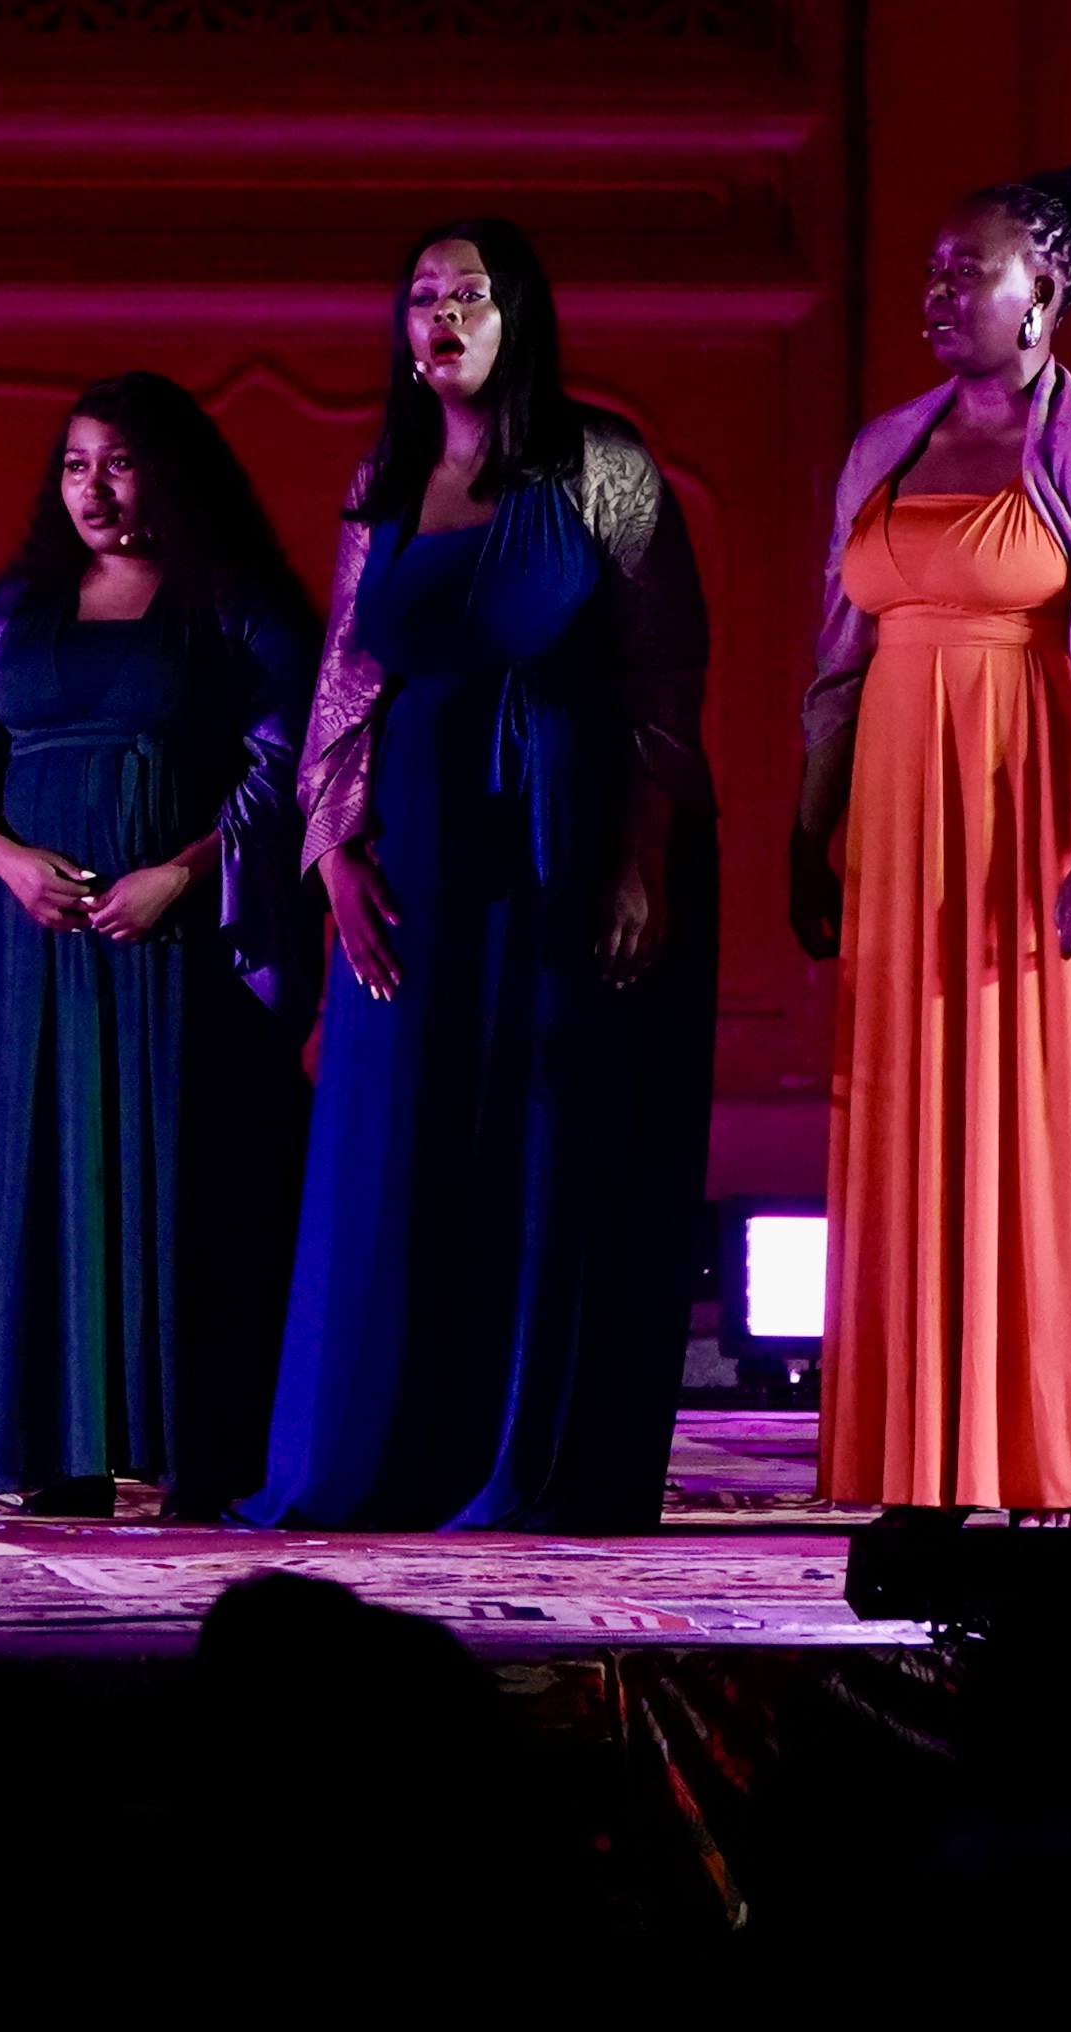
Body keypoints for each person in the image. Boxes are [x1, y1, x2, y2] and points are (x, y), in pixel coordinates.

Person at [246, 219, 719, 1533]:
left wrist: (638, 860)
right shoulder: (385, 480)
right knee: (400, 1152)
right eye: (421, 299)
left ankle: (524, 1455)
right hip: (413, 874)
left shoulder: (601, 464)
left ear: (521, 318)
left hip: (557, 846)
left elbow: (662, 674)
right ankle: (391, 1454)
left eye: (469, 297)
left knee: (538, 1141)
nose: (441, 319)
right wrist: (333, 853)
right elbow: (346, 676)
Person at [792, 167, 1071, 1522]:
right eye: (929, 272)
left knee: (1048, 1122)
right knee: (914, 1120)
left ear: (1043, 291)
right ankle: (930, 1452)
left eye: (964, 273)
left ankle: (1061, 1444)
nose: (936, 295)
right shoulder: (889, 447)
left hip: (1045, 814)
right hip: (909, 823)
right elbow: (839, 657)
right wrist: (817, 824)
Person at [0, 373, 317, 1520]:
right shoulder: (17, 608)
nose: (96, 486)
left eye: (124, 460)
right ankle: (62, 1451)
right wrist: (5, 858)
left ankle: (200, 1443)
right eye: (78, 462)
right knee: (45, 1173)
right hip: (40, 953)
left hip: (182, 948)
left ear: (176, 472)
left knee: (188, 1175)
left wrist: (180, 874)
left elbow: (293, 757)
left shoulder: (236, 604)